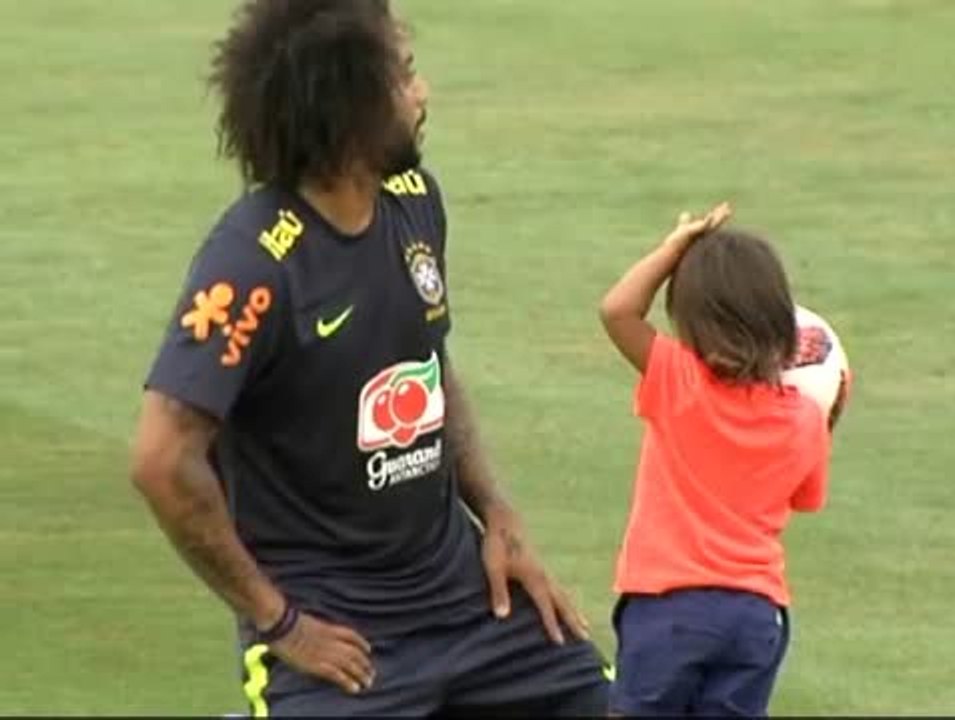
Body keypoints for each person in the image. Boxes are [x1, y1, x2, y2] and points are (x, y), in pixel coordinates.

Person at [128, 0, 609, 715]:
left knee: (602, 700)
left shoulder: (414, 202)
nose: (422, 94)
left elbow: (429, 362)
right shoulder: (252, 267)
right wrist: (278, 621)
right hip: (340, 634)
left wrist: (499, 517)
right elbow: (161, 460)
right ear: (352, 105)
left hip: (465, 604)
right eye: (405, 75)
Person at [598, 204, 832, 716]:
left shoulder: (677, 380)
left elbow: (617, 311)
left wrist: (673, 249)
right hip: (756, 614)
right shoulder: (806, 419)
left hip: (667, 609)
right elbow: (806, 497)